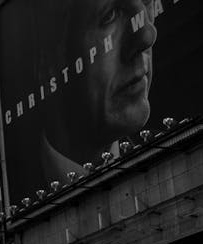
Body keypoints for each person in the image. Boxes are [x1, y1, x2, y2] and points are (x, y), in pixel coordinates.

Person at [32, 0, 158, 186]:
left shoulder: (165, 151)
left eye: (147, 2)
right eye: (110, 16)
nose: (146, 36)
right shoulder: (9, 188)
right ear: (49, 65)